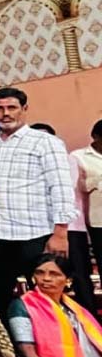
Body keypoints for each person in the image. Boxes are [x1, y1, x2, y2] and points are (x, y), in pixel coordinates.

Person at [0, 88, 76, 316]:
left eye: (11, 107)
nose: (5, 113)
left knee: (45, 296)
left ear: (24, 109)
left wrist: (60, 232)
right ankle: (7, 338)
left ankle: (52, 337)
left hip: (36, 234)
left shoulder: (45, 142)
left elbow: (60, 186)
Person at [34, 123, 94, 312]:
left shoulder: (66, 160)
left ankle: (87, 316)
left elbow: (66, 188)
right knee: (48, 273)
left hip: (72, 227)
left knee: (79, 273)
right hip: (43, 228)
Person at [73, 121, 102, 286]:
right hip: (98, 221)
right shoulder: (79, 156)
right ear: (95, 136)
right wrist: (98, 178)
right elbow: (79, 187)